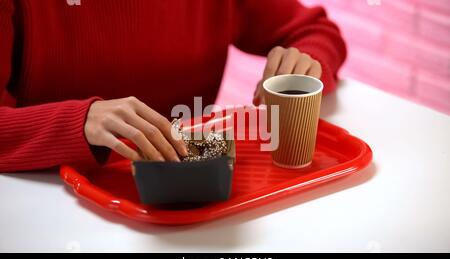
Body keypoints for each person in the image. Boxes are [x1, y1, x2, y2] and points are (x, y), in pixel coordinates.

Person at [0, 0, 346, 172]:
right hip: (54, 204)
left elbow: (317, 32)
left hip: (193, 201)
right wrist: (80, 121)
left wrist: (304, 60)